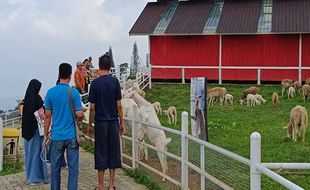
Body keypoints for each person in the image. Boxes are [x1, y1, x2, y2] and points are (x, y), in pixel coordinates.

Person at [87, 53, 125, 190]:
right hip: (113, 122)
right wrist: (122, 122)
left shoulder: (95, 83)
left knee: (101, 152)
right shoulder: (115, 82)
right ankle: (111, 185)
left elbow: (92, 108)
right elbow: (119, 105)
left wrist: (90, 124)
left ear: (99, 66)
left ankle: (100, 185)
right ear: (110, 66)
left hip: (101, 122)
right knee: (113, 151)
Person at [44, 63, 84, 190]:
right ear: (70, 75)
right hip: (71, 136)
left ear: (59, 74)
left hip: (56, 136)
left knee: (55, 170)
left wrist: (45, 134)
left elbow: (47, 116)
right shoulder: (74, 92)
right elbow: (79, 114)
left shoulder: (50, 93)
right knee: (73, 169)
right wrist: (82, 113)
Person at [21, 79, 49, 185]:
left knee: (29, 154)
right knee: (38, 153)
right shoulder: (37, 99)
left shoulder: (26, 99)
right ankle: (36, 177)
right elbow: (42, 114)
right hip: (36, 130)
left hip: (27, 131)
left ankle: (30, 176)